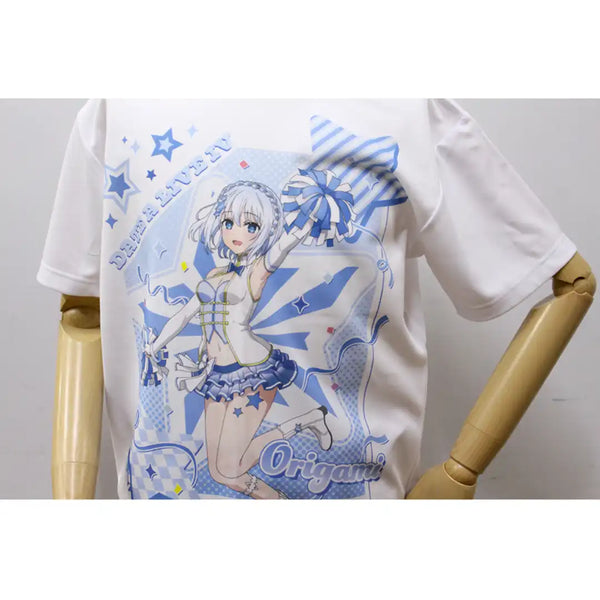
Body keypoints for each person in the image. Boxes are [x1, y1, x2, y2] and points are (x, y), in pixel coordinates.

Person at [142, 171, 358, 498]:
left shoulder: (257, 272)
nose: (237, 232)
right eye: (229, 222)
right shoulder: (215, 275)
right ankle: (307, 421)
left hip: (251, 373)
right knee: (219, 472)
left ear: (265, 229)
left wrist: (307, 220)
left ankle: (280, 495)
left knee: (229, 469)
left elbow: (282, 247)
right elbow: (185, 314)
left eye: (251, 225)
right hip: (215, 375)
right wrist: (155, 345)